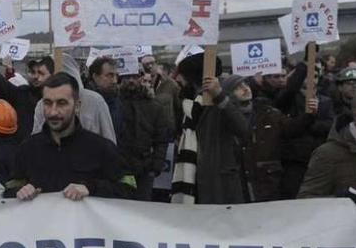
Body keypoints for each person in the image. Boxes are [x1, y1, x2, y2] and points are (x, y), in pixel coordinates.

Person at [6, 73, 131, 201]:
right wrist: (20, 191)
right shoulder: (28, 148)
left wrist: (91, 188)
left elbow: (129, 187)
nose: (53, 112)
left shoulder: (101, 148)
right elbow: (10, 189)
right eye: (48, 103)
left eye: (61, 103)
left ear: (77, 106)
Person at [171, 53, 249, 204]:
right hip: (194, 178)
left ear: (192, 78)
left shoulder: (223, 101)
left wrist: (219, 96)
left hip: (219, 181)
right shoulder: (188, 105)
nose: (177, 79)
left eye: (182, 75)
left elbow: (242, 128)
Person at [224, 75, 316, 202]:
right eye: (238, 88)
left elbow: (292, 129)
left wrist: (309, 114)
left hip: (268, 182)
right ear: (228, 94)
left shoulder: (268, 113)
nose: (245, 89)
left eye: (245, 85)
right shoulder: (224, 118)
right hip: (239, 181)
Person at [273, 61, 336, 199]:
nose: (311, 79)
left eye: (315, 76)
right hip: (295, 160)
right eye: (307, 75)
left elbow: (330, 124)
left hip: (319, 158)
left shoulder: (325, 101)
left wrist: (311, 124)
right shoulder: (290, 99)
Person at [116, 73, 173, 201]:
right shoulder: (114, 104)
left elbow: (161, 139)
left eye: (135, 77)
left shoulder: (154, 106)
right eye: (127, 77)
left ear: (140, 78)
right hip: (118, 167)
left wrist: (156, 166)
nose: (131, 80)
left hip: (144, 167)